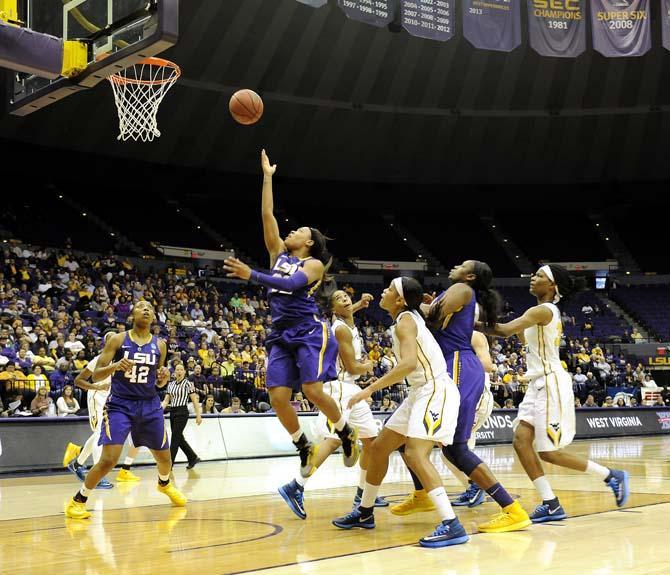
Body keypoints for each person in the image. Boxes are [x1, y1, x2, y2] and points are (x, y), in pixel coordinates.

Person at [223, 149, 359, 477]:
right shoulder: (277, 253)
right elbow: (267, 215)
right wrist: (268, 178)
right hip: (280, 332)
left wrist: (251, 275)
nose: (291, 232)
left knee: (312, 390)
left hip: (309, 329)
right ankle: (302, 444)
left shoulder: (311, 265)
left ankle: (345, 432)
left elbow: (293, 285)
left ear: (309, 243)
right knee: (278, 397)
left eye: (299, 231)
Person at [480, 264, 629, 523]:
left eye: (539, 276)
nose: (532, 278)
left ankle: (609, 475)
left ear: (552, 286)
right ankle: (550, 503)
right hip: (538, 383)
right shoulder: (540, 312)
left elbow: (503, 330)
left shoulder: (543, 310)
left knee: (547, 451)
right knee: (520, 441)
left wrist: (461, 322)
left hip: (550, 385)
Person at [392, 261, 530, 533]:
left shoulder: (461, 288)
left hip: (457, 366)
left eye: (462, 265)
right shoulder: (459, 293)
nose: (455, 265)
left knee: (455, 448)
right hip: (452, 366)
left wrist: (414, 304)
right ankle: (422, 495)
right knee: (420, 441)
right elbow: (438, 317)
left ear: (469, 275)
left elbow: (432, 318)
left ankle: (512, 510)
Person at [331, 277, 467, 549]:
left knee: (415, 454)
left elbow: (407, 365)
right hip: (419, 392)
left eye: (390, 289)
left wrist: (369, 389)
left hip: (434, 390)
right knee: (380, 448)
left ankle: (452, 524)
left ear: (401, 300)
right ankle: (365, 512)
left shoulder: (406, 320)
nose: (384, 291)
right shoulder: (405, 318)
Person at [65, 301, 186, 519]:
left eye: (150, 307)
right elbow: (96, 374)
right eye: (141, 306)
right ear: (132, 315)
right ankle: (77, 501)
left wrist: (163, 379)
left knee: (165, 458)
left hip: (149, 405)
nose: (147, 309)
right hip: (120, 404)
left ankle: (164, 483)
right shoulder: (118, 339)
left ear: (154, 316)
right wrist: (115, 366)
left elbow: (157, 382)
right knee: (109, 459)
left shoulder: (160, 345)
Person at [278, 291, 388, 519]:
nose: (346, 299)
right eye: (339, 298)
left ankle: (363, 493)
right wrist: (368, 366)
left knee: (371, 441)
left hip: (351, 390)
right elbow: (352, 368)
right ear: (333, 309)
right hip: (338, 387)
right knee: (333, 440)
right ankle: (295, 486)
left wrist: (360, 304)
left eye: (347, 296)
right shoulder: (339, 329)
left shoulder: (348, 320)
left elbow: (348, 312)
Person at [62, 332, 142, 490]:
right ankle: (98, 476)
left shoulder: (125, 361)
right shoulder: (98, 360)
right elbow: (78, 381)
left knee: (100, 433)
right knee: (100, 434)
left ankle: (77, 463)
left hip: (113, 400)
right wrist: (97, 386)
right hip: (97, 397)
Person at [162, 363, 203, 469]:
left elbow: (194, 400)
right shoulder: (170, 384)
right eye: (177, 370)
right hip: (173, 412)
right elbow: (166, 400)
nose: (179, 371)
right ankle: (193, 457)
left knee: (175, 439)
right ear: (174, 372)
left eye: (181, 370)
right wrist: (159, 411)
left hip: (182, 412)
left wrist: (198, 415)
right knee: (179, 438)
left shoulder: (188, 384)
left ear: (184, 372)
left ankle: (169, 465)